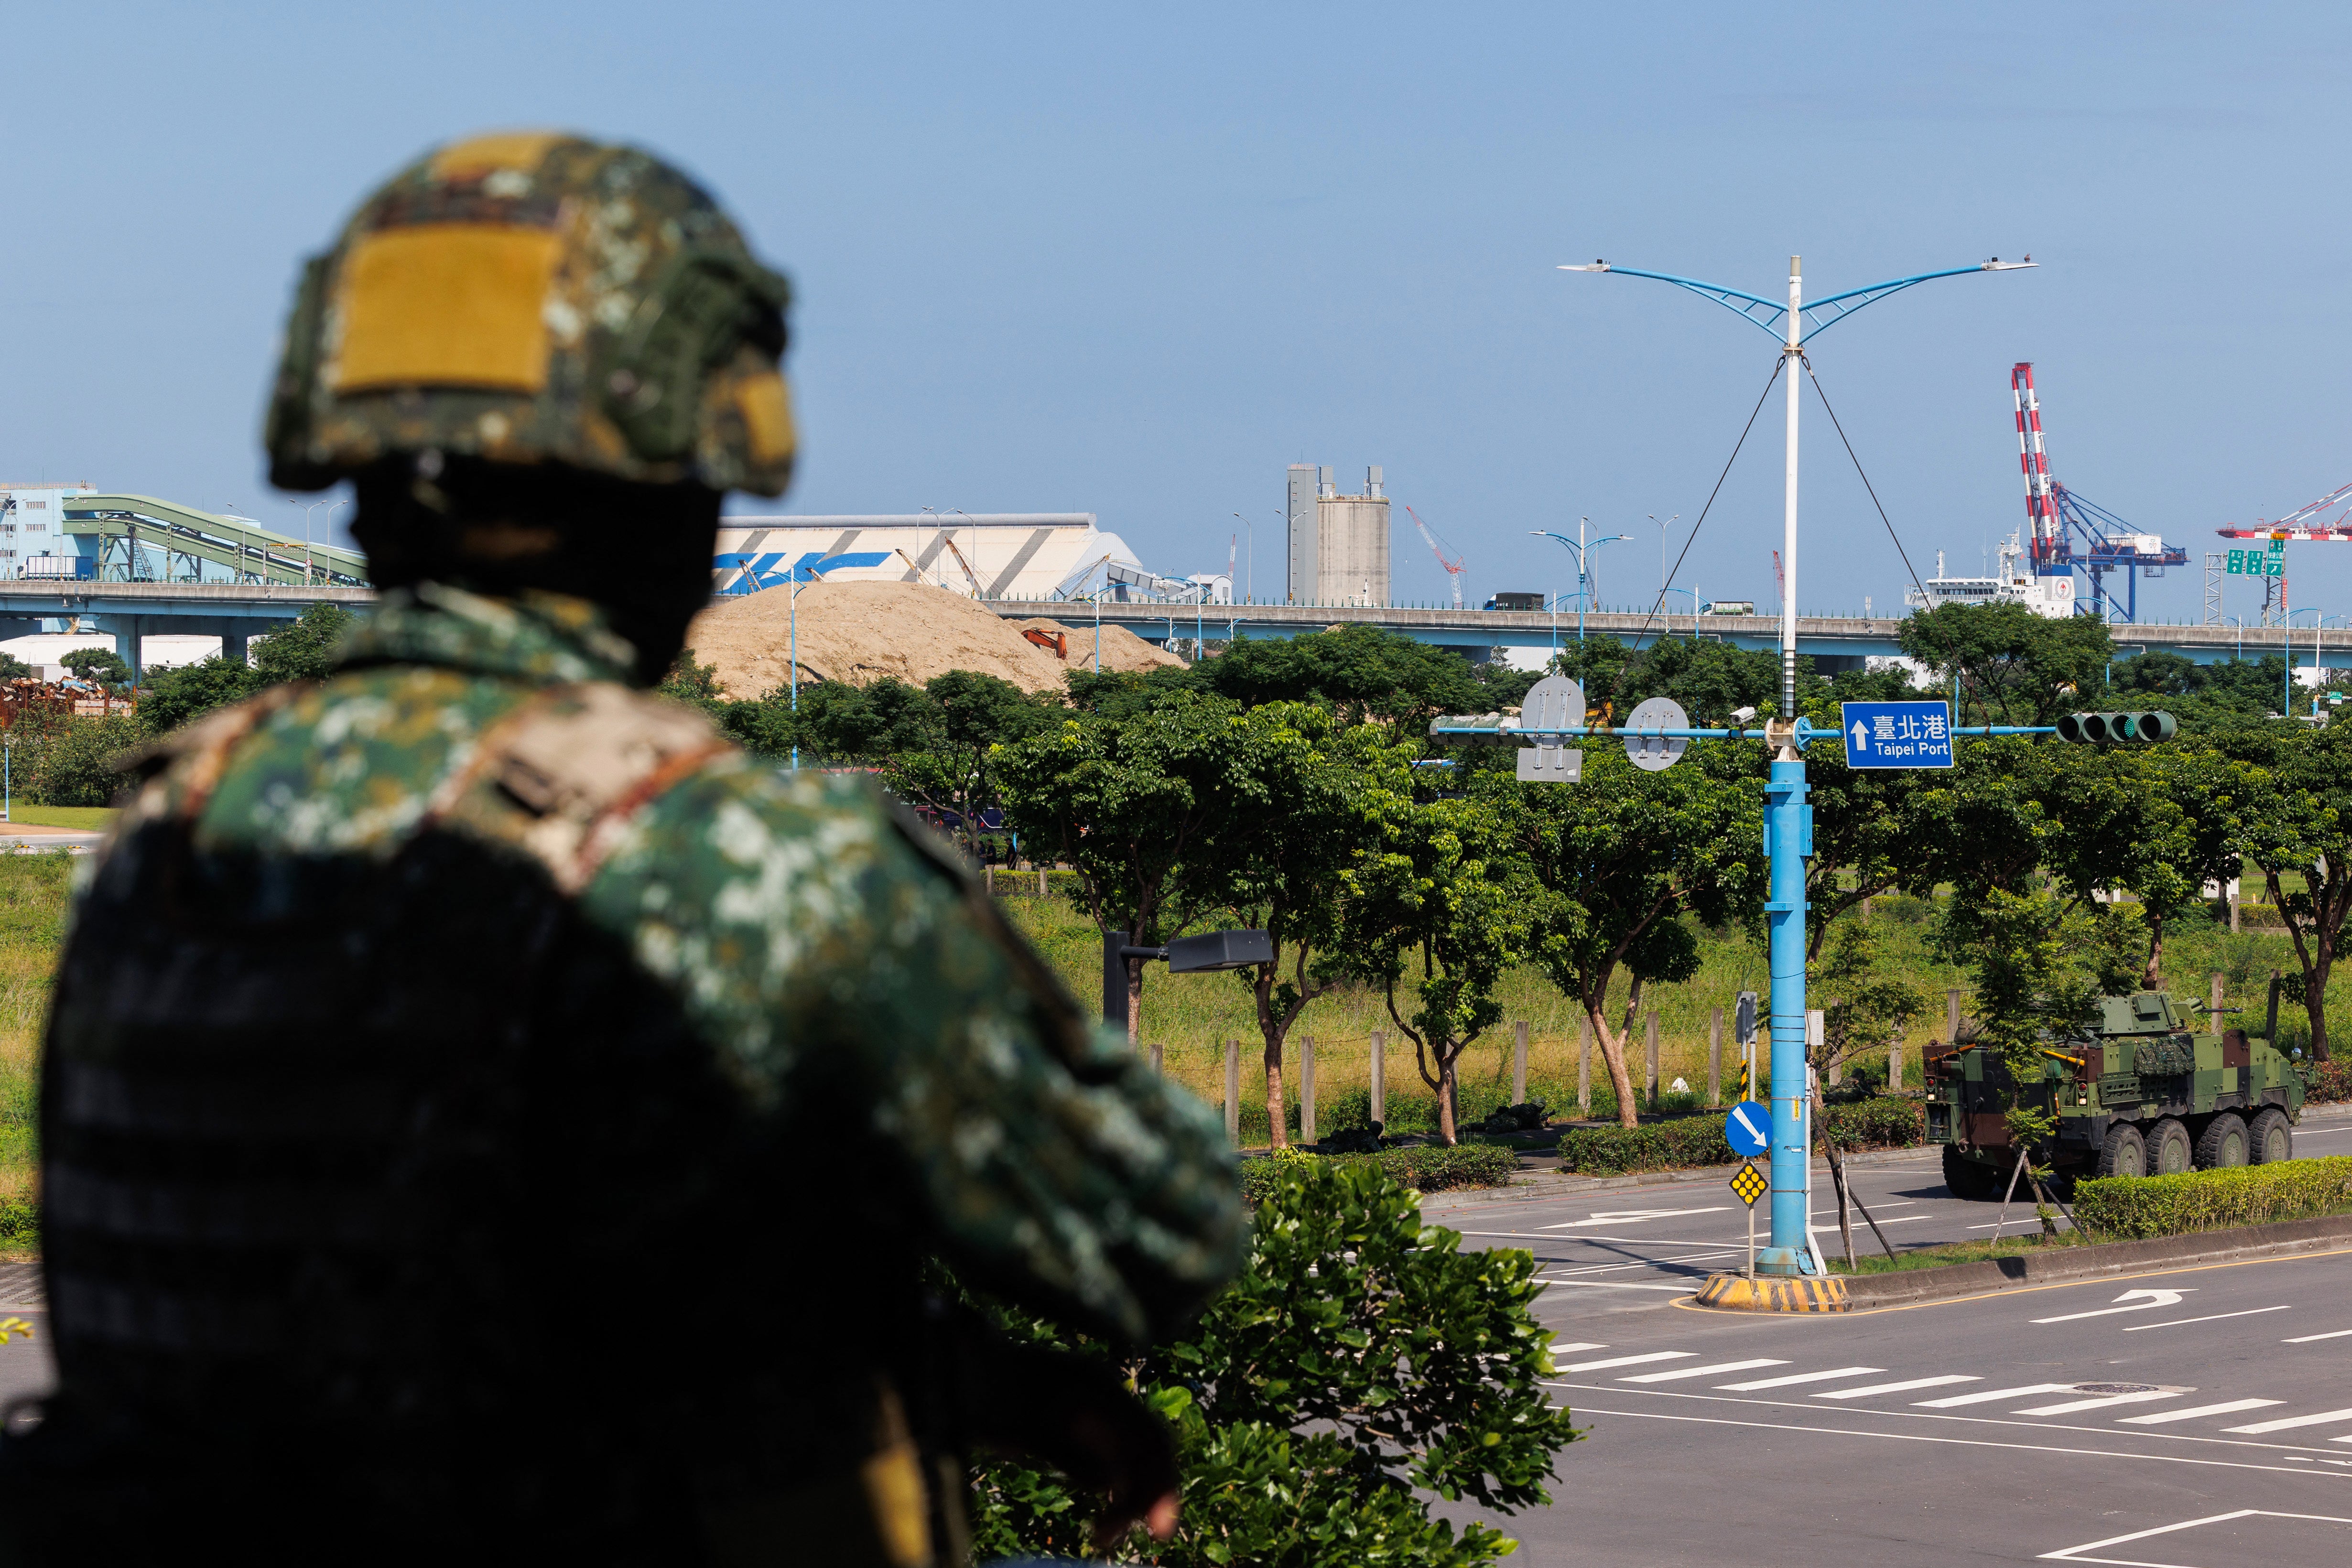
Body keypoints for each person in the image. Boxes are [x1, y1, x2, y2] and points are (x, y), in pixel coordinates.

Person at [0, 131, 1243, 1565]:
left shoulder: (172, 824)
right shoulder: (732, 855)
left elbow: (389, 1303)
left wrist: (954, 1376)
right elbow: (1163, 1233)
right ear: (677, 478)